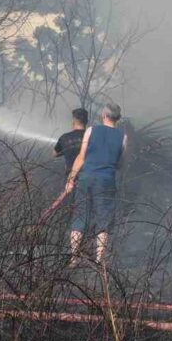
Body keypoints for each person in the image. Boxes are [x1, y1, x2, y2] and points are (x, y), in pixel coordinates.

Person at [64, 103, 127, 265]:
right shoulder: (123, 137)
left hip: (86, 178)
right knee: (103, 219)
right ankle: (99, 260)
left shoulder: (91, 130)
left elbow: (81, 157)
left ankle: (74, 258)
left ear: (104, 115)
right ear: (117, 118)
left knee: (79, 216)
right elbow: (120, 163)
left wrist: (71, 179)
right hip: (106, 180)